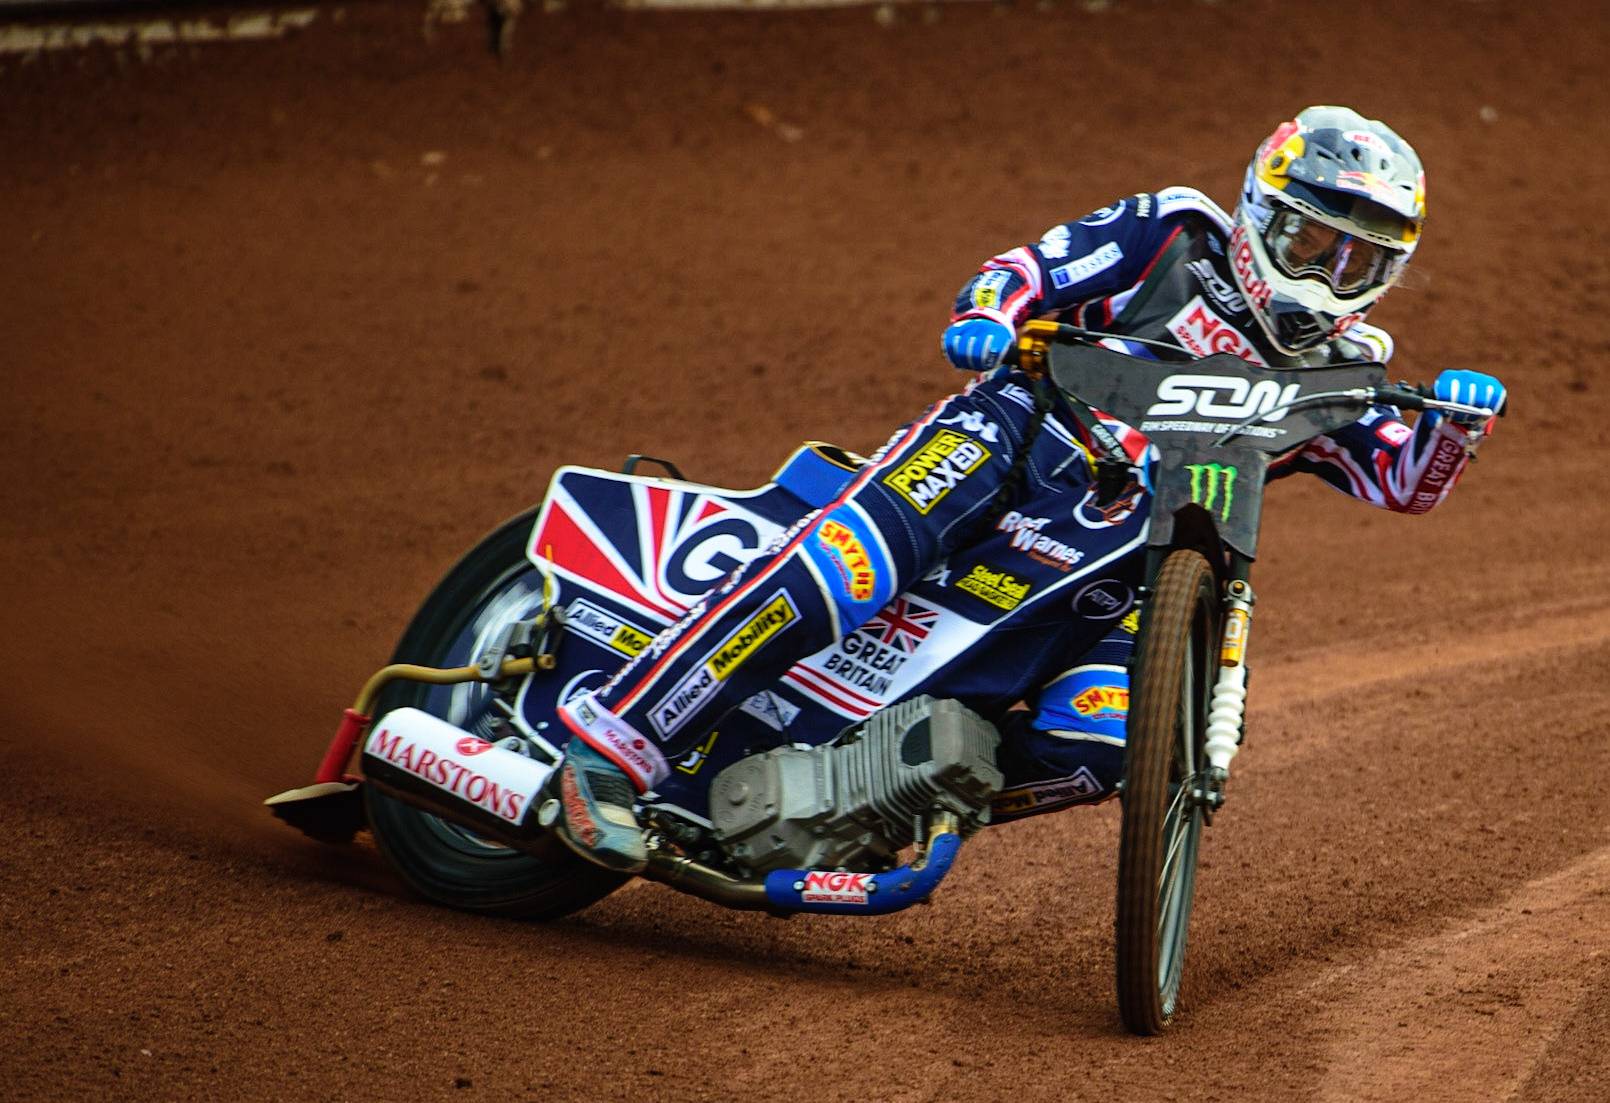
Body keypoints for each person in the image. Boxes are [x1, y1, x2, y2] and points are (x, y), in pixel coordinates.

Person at [554, 105, 1507, 871]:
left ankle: (875, 799)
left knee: (1106, 743)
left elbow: (1402, 481)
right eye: (1311, 245)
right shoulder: (1177, 234)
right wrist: (987, 317)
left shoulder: (1349, 368)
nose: (1330, 278)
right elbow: (1028, 270)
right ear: (1261, 215)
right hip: (1018, 433)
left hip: (1137, 556)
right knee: (848, 568)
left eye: (1362, 262)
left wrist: (1454, 432)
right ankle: (615, 741)